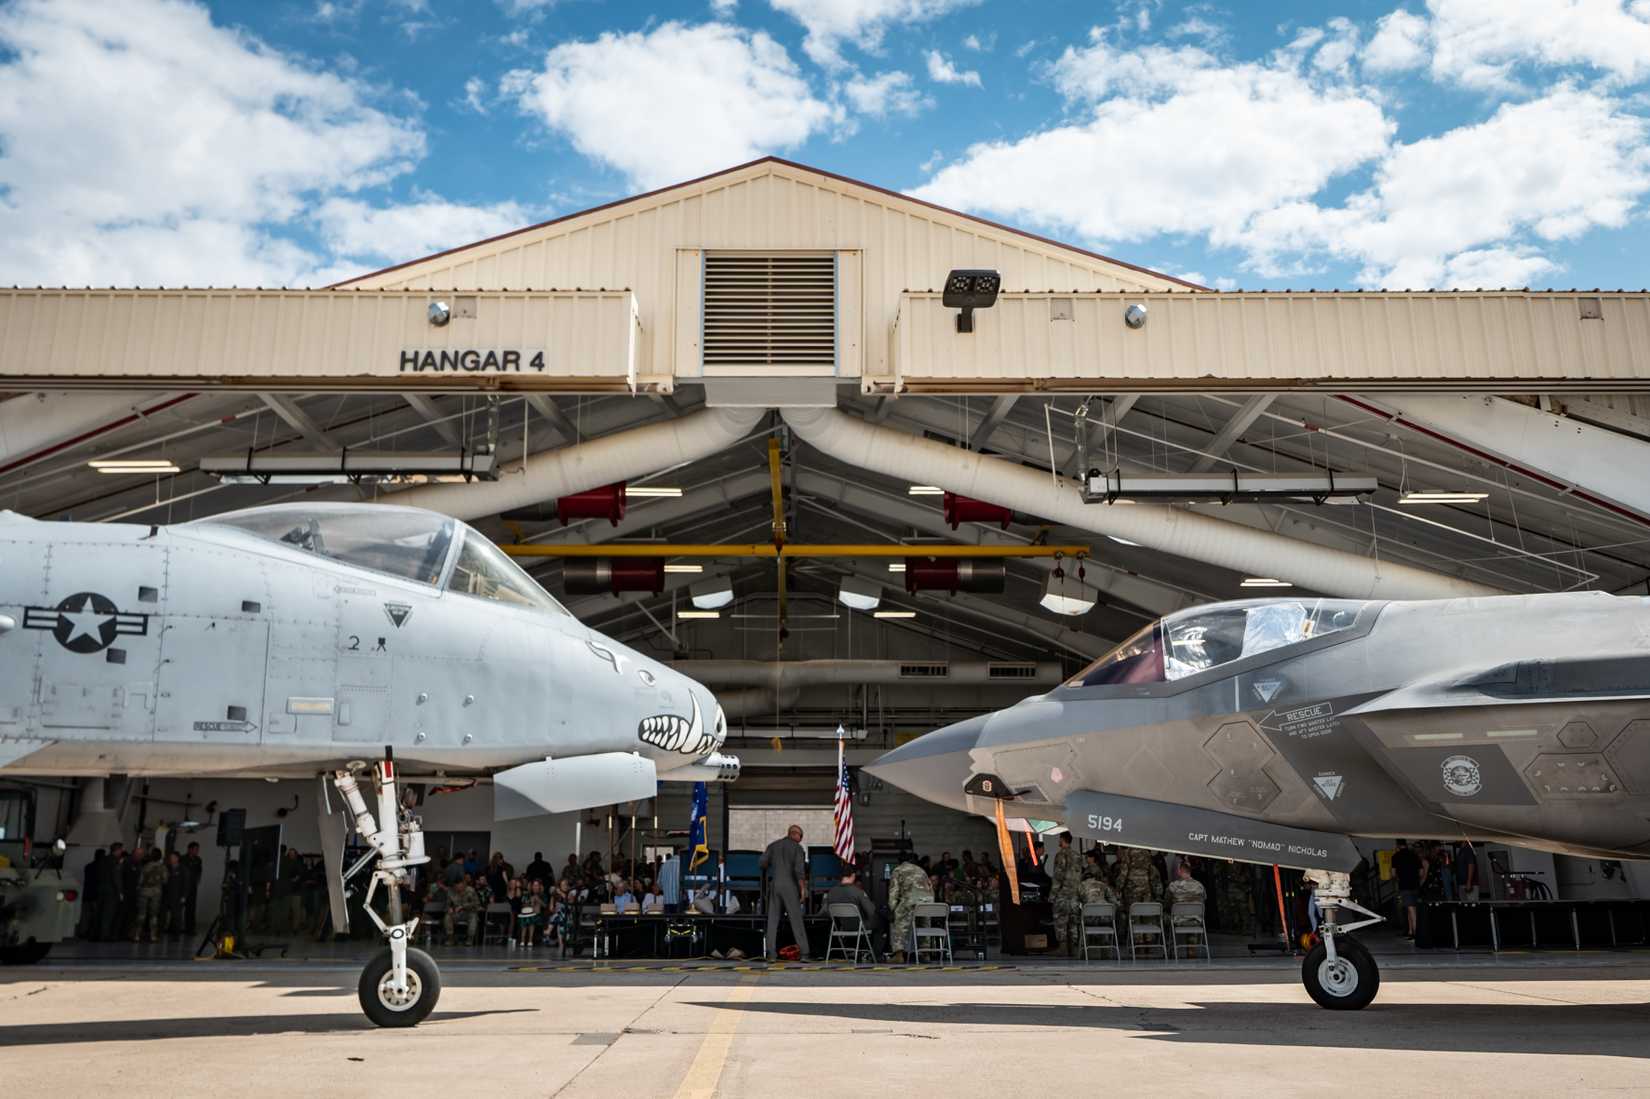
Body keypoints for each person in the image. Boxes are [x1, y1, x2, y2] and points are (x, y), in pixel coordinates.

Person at [760, 823, 811, 961]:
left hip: (775, 885)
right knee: (796, 920)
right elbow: (799, 871)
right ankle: (805, 953)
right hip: (790, 887)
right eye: (801, 836)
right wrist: (802, 889)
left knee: (772, 920)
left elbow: (762, 863)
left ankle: (771, 953)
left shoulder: (773, 846)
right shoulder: (798, 848)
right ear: (796, 835)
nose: (801, 840)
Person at [887, 853, 934, 962]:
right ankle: (925, 954)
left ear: (900, 862)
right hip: (928, 902)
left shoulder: (898, 870)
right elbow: (930, 887)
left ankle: (898, 955)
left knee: (899, 923)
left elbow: (893, 891)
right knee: (924, 925)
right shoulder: (921, 870)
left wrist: (893, 909)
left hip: (911, 900)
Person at [1048, 832, 1084, 958]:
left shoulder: (1060, 855)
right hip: (1075, 893)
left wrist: (1052, 896)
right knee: (1074, 920)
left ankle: (1062, 948)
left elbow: (1058, 877)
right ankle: (1073, 948)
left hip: (1063, 893)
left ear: (1062, 840)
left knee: (1060, 920)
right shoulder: (1078, 856)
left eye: (1059, 839)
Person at [824, 868, 879, 943]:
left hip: (842, 927)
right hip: (860, 926)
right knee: (881, 922)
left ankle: (850, 948)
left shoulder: (831, 892)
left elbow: (827, 912)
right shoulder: (858, 892)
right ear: (853, 875)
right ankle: (875, 953)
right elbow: (871, 911)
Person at [1390, 839, 1423, 939]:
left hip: (1404, 885)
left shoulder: (1396, 856)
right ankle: (1410, 931)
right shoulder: (1414, 855)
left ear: (1398, 845)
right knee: (1412, 908)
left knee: (1410, 908)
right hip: (1415, 885)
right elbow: (1421, 872)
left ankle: (1416, 933)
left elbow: (1393, 873)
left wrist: (1398, 878)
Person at [134, 849, 167, 942]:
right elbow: (165, 881)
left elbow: (140, 881)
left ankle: (137, 935)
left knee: (141, 914)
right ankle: (153, 936)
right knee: (154, 915)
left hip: (144, 892)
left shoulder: (145, 866)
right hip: (156, 892)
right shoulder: (162, 867)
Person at [445, 874, 483, 944]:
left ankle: (470, 939)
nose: (457, 889)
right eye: (455, 887)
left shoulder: (471, 891)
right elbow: (447, 904)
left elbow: (476, 904)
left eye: (459, 887)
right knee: (448, 916)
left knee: (473, 917)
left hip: (469, 912)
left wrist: (463, 906)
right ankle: (450, 938)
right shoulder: (450, 891)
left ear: (463, 884)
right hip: (457, 913)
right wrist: (449, 908)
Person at [181, 841, 204, 935]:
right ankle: (174, 928)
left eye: (197, 849)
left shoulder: (198, 860)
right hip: (182, 887)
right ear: (189, 849)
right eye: (195, 849)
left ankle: (190, 929)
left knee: (191, 908)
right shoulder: (182, 859)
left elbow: (199, 871)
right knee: (178, 908)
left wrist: (197, 880)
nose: (196, 851)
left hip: (192, 887)